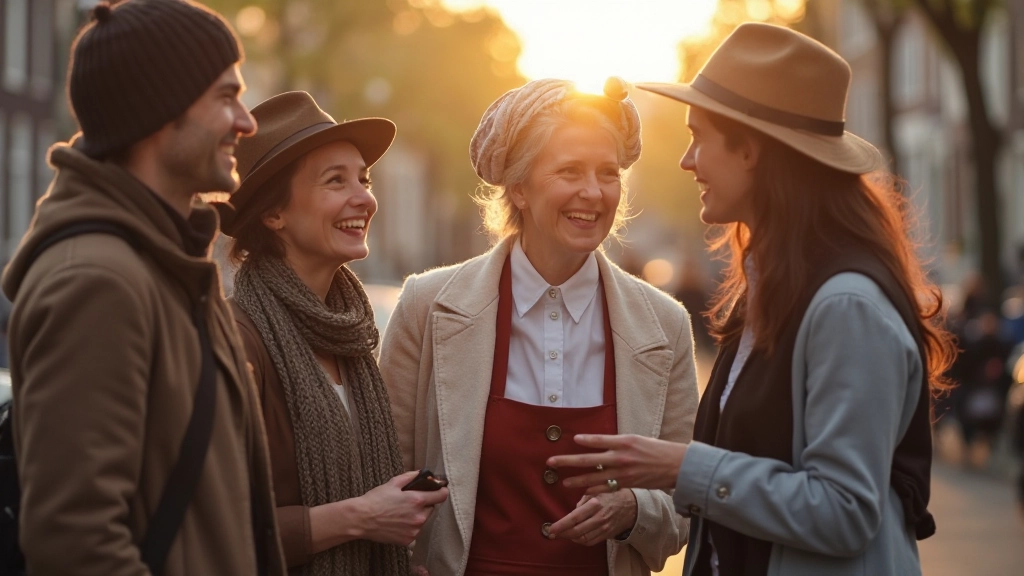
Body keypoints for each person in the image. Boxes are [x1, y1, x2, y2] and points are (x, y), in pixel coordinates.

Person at [547, 23, 957, 576]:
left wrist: (681, 466)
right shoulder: (773, 291)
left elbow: (845, 512)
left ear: (752, 150)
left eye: (699, 138)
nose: (686, 161)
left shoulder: (845, 307)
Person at [0, 1, 286, 574]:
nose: (246, 121)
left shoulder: (171, 269)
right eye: (226, 97)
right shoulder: (97, 283)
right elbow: (77, 545)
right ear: (161, 110)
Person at [379, 77, 700, 575]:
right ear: (518, 188)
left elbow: (686, 504)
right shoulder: (427, 307)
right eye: (569, 170)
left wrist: (634, 509)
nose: (593, 192)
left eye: (608, 173)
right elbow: (382, 478)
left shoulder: (665, 326)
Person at [217, 91, 448, 575]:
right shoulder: (235, 339)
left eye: (363, 178)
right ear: (273, 214)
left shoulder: (352, 340)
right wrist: (362, 518)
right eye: (335, 181)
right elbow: (213, 526)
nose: (364, 197)